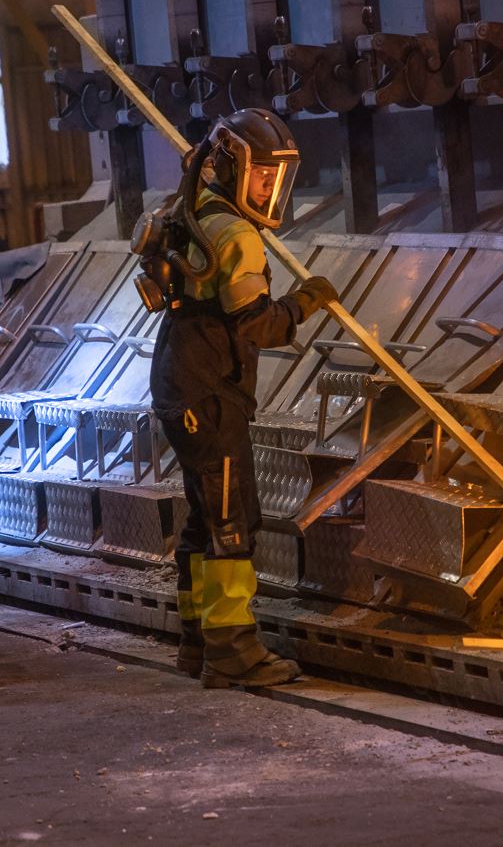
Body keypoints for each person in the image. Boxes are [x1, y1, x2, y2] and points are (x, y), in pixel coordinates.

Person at [149, 108, 338, 689]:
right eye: (262, 175)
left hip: (179, 379)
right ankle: (233, 652)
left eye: (276, 178)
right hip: (210, 392)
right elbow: (258, 325)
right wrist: (307, 301)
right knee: (232, 521)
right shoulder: (236, 235)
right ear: (232, 166)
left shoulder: (196, 210)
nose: (269, 188)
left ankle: (197, 642)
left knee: (204, 520)